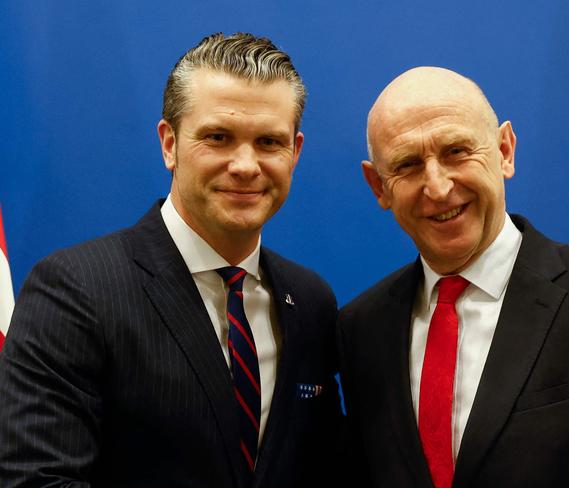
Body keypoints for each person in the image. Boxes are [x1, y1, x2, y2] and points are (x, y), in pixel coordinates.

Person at [0, 32, 342, 487]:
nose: (245, 164)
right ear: (169, 144)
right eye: (218, 137)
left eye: (268, 142)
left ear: (294, 152)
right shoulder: (76, 289)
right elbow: (36, 479)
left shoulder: (311, 301)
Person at [338, 66, 569, 488]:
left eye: (456, 152)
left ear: (504, 150)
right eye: (408, 165)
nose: (438, 186)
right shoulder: (361, 329)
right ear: (379, 186)